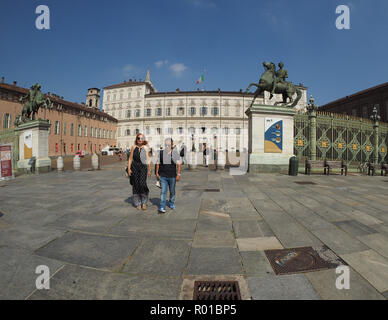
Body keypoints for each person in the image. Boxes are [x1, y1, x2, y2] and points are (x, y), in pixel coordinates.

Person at [156, 138, 181, 214]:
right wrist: (157, 173)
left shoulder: (175, 153)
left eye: (169, 145)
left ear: (172, 145)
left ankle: (171, 202)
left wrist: (178, 174)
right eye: (166, 145)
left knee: (172, 191)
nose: (167, 146)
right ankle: (162, 206)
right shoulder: (161, 153)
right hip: (163, 176)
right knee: (163, 191)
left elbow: (179, 165)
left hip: (172, 176)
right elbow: (157, 163)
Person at [127, 133, 151, 210]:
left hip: (143, 166)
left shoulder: (146, 148)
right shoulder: (133, 147)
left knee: (142, 183)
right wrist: (129, 168)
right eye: (138, 138)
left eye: (141, 138)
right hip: (134, 167)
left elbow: (148, 159)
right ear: (136, 139)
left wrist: (149, 170)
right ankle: (138, 203)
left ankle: (144, 202)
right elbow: (130, 158)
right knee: (136, 184)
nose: (140, 140)